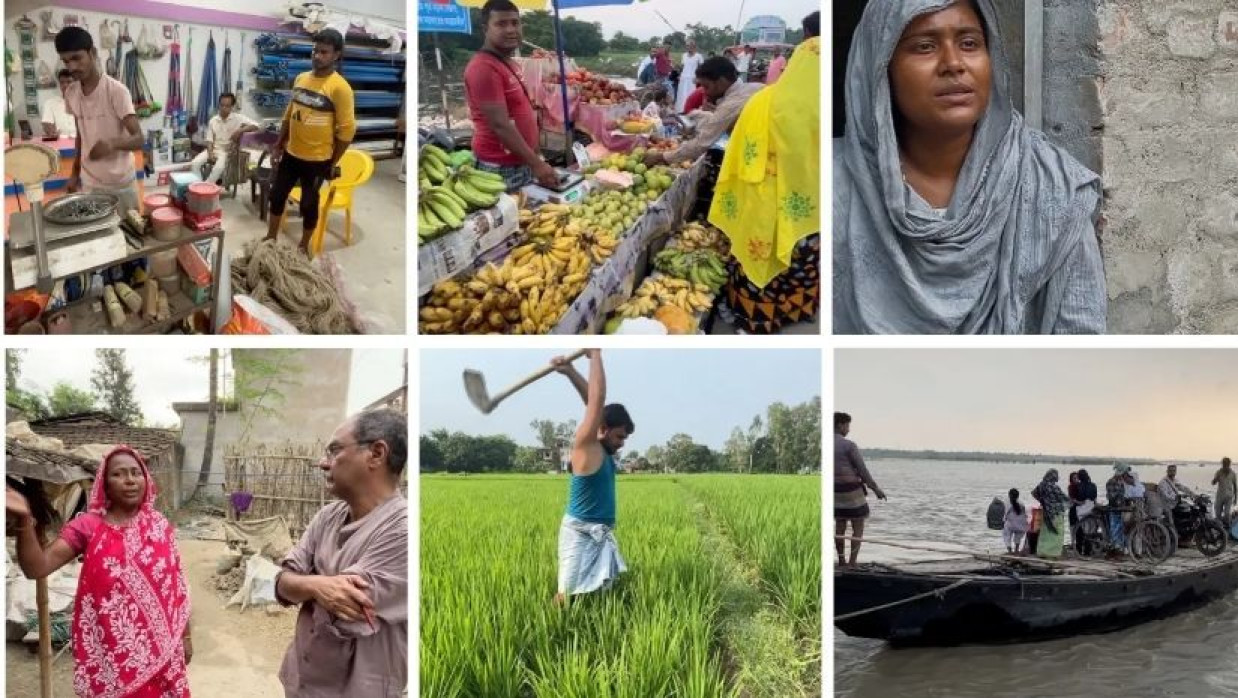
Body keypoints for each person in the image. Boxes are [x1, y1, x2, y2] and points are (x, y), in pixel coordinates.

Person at [834, 0, 1106, 334]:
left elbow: (1079, 339)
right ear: (881, 66)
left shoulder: (1051, 185)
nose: (953, 64)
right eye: (924, 47)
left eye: (969, 44)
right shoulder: (834, 185)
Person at [7, 446, 192, 697]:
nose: (129, 480)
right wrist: (25, 521)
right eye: (118, 474)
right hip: (112, 656)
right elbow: (37, 567)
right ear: (104, 483)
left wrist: (186, 637)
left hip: (164, 652)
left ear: (145, 479)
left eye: (135, 473)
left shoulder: (159, 526)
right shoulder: (88, 526)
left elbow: (176, 588)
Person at [275, 409, 408, 697]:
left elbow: (346, 607)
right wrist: (317, 586)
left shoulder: (404, 531)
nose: (323, 463)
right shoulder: (327, 516)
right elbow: (282, 583)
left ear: (376, 453)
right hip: (302, 683)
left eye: (334, 451)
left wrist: (305, 585)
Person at [707, 18, 820, 334]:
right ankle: (796, 312)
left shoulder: (762, 102)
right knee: (802, 267)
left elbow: (737, 155)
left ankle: (754, 319)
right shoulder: (832, 109)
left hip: (762, 203)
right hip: (811, 213)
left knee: (757, 261)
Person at [550, 350, 631, 604]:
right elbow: (597, 401)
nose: (621, 444)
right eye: (619, 437)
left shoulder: (603, 449)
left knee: (599, 593)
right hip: (579, 533)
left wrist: (571, 371)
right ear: (603, 431)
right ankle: (549, 631)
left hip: (600, 532)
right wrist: (595, 352)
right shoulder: (587, 447)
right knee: (566, 594)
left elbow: (595, 406)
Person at [266, 29, 356, 254]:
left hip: (317, 160)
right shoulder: (301, 79)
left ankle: (303, 247)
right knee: (276, 196)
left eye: (324, 52)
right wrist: (278, 144)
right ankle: (270, 237)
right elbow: (290, 114)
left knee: (308, 204)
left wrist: (332, 161)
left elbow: (347, 131)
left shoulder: (340, 88)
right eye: (315, 50)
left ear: (336, 55)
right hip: (291, 153)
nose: (317, 56)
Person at [464, 0, 558, 192]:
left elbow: (521, 111)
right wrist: (537, 164)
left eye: (515, 23)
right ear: (485, 29)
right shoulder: (483, 67)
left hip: (522, 162)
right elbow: (500, 125)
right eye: (501, 24)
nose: (510, 30)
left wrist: (536, 154)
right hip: (500, 168)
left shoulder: (509, 62)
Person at [55, 27, 145, 215]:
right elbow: (81, 135)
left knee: (128, 236)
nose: (71, 67)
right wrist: (74, 174)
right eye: (66, 61)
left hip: (121, 183)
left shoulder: (116, 92)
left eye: (77, 58)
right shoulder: (71, 93)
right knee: (97, 238)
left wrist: (111, 144)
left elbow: (138, 138)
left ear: (92, 53)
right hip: (90, 183)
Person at [643, 57, 761, 169]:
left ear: (720, 82)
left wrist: (662, 157)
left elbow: (702, 143)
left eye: (706, 86)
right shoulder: (755, 87)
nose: (705, 92)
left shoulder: (731, 103)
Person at [834, 412, 885, 566]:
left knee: (840, 527)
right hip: (851, 493)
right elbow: (862, 471)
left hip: (835, 493)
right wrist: (876, 489)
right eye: (847, 425)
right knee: (858, 526)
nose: (848, 429)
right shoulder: (849, 445)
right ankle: (852, 563)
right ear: (840, 425)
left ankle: (841, 561)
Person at [190, 92, 260, 185]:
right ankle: (198, 185)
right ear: (219, 105)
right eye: (222, 105)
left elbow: (257, 126)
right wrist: (210, 153)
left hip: (226, 151)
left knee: (219, 167)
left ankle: (206, 186)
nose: (224, 108)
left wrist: (240, 130)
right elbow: (209, 140)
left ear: (232, 107)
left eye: (227, 106)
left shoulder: (238, 118)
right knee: (194, 163)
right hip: (213, 149)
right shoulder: (213, 121)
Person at [1031, 469, 1069, 558]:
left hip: (1045, 513)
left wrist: (1042, 501)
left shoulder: (1041, 485)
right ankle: (1053, 553)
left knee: (1045, 532)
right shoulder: (1054, 487)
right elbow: (1064, 498)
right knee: (1057, 533)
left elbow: (1034, 493)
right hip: (1055, 513)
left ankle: (1042, 552)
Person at [40, 69, 77, 138]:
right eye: (62, 82)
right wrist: (50, 131)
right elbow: (47, 125)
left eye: (69, 82)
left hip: (82, 143)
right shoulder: (50, 103)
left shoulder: (84, 102)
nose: (65, 85)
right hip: (59, 143)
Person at [676, 40, 703, 112]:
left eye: (690, 45)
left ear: (694, 46)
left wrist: (698, 78)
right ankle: (681, 110)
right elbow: (682, 67)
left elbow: (701, 68)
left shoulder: (698, 56)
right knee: (682, 95)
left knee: (691, 95)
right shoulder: (684, 55)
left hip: (692, 79)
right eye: (687, 46)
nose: (688, 47)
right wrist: (679, 73)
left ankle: (690, 111)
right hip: (683, 78)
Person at [1002, 488, 1029, 554]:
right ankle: (1016, 550)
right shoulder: (1021, 503)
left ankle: (1010, 551)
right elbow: (1024, 514)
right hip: (1021, 525)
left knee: (1006, 535)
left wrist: (1003, 521)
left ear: (1009, 495)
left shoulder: (1006, 502)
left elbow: (1005, 514)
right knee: (1018, 536)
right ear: (1018, 496)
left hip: (1011, 524)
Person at [1213, 457, 1236, 523]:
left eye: (1226, 464)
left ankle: (1228, 526)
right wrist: (1216, 479)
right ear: (1222, 464)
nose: (1225, 466)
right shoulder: (1218, 472)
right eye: (1224, 464)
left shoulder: (1233, 474)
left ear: (1229, 464)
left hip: (1229, 497)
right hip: (1220, 496)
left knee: (1227, 514)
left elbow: (1235, 486)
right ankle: (1220, 528)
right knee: (1217, 514)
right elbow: (1213, 483)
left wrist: (1236, 498)